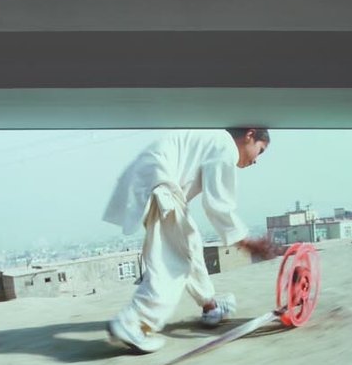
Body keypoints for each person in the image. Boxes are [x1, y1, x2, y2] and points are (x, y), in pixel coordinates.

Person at [103, 127, 275, 353]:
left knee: (189, 244)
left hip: (155, 179)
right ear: (249, 135)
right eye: (260, 151)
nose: (256, 160)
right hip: (161, 183)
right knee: (173, 262)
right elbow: (218, 205)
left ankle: (210, 305)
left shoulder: (213, 140)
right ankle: (133, 321)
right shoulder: (226, 147)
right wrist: (246, 242)